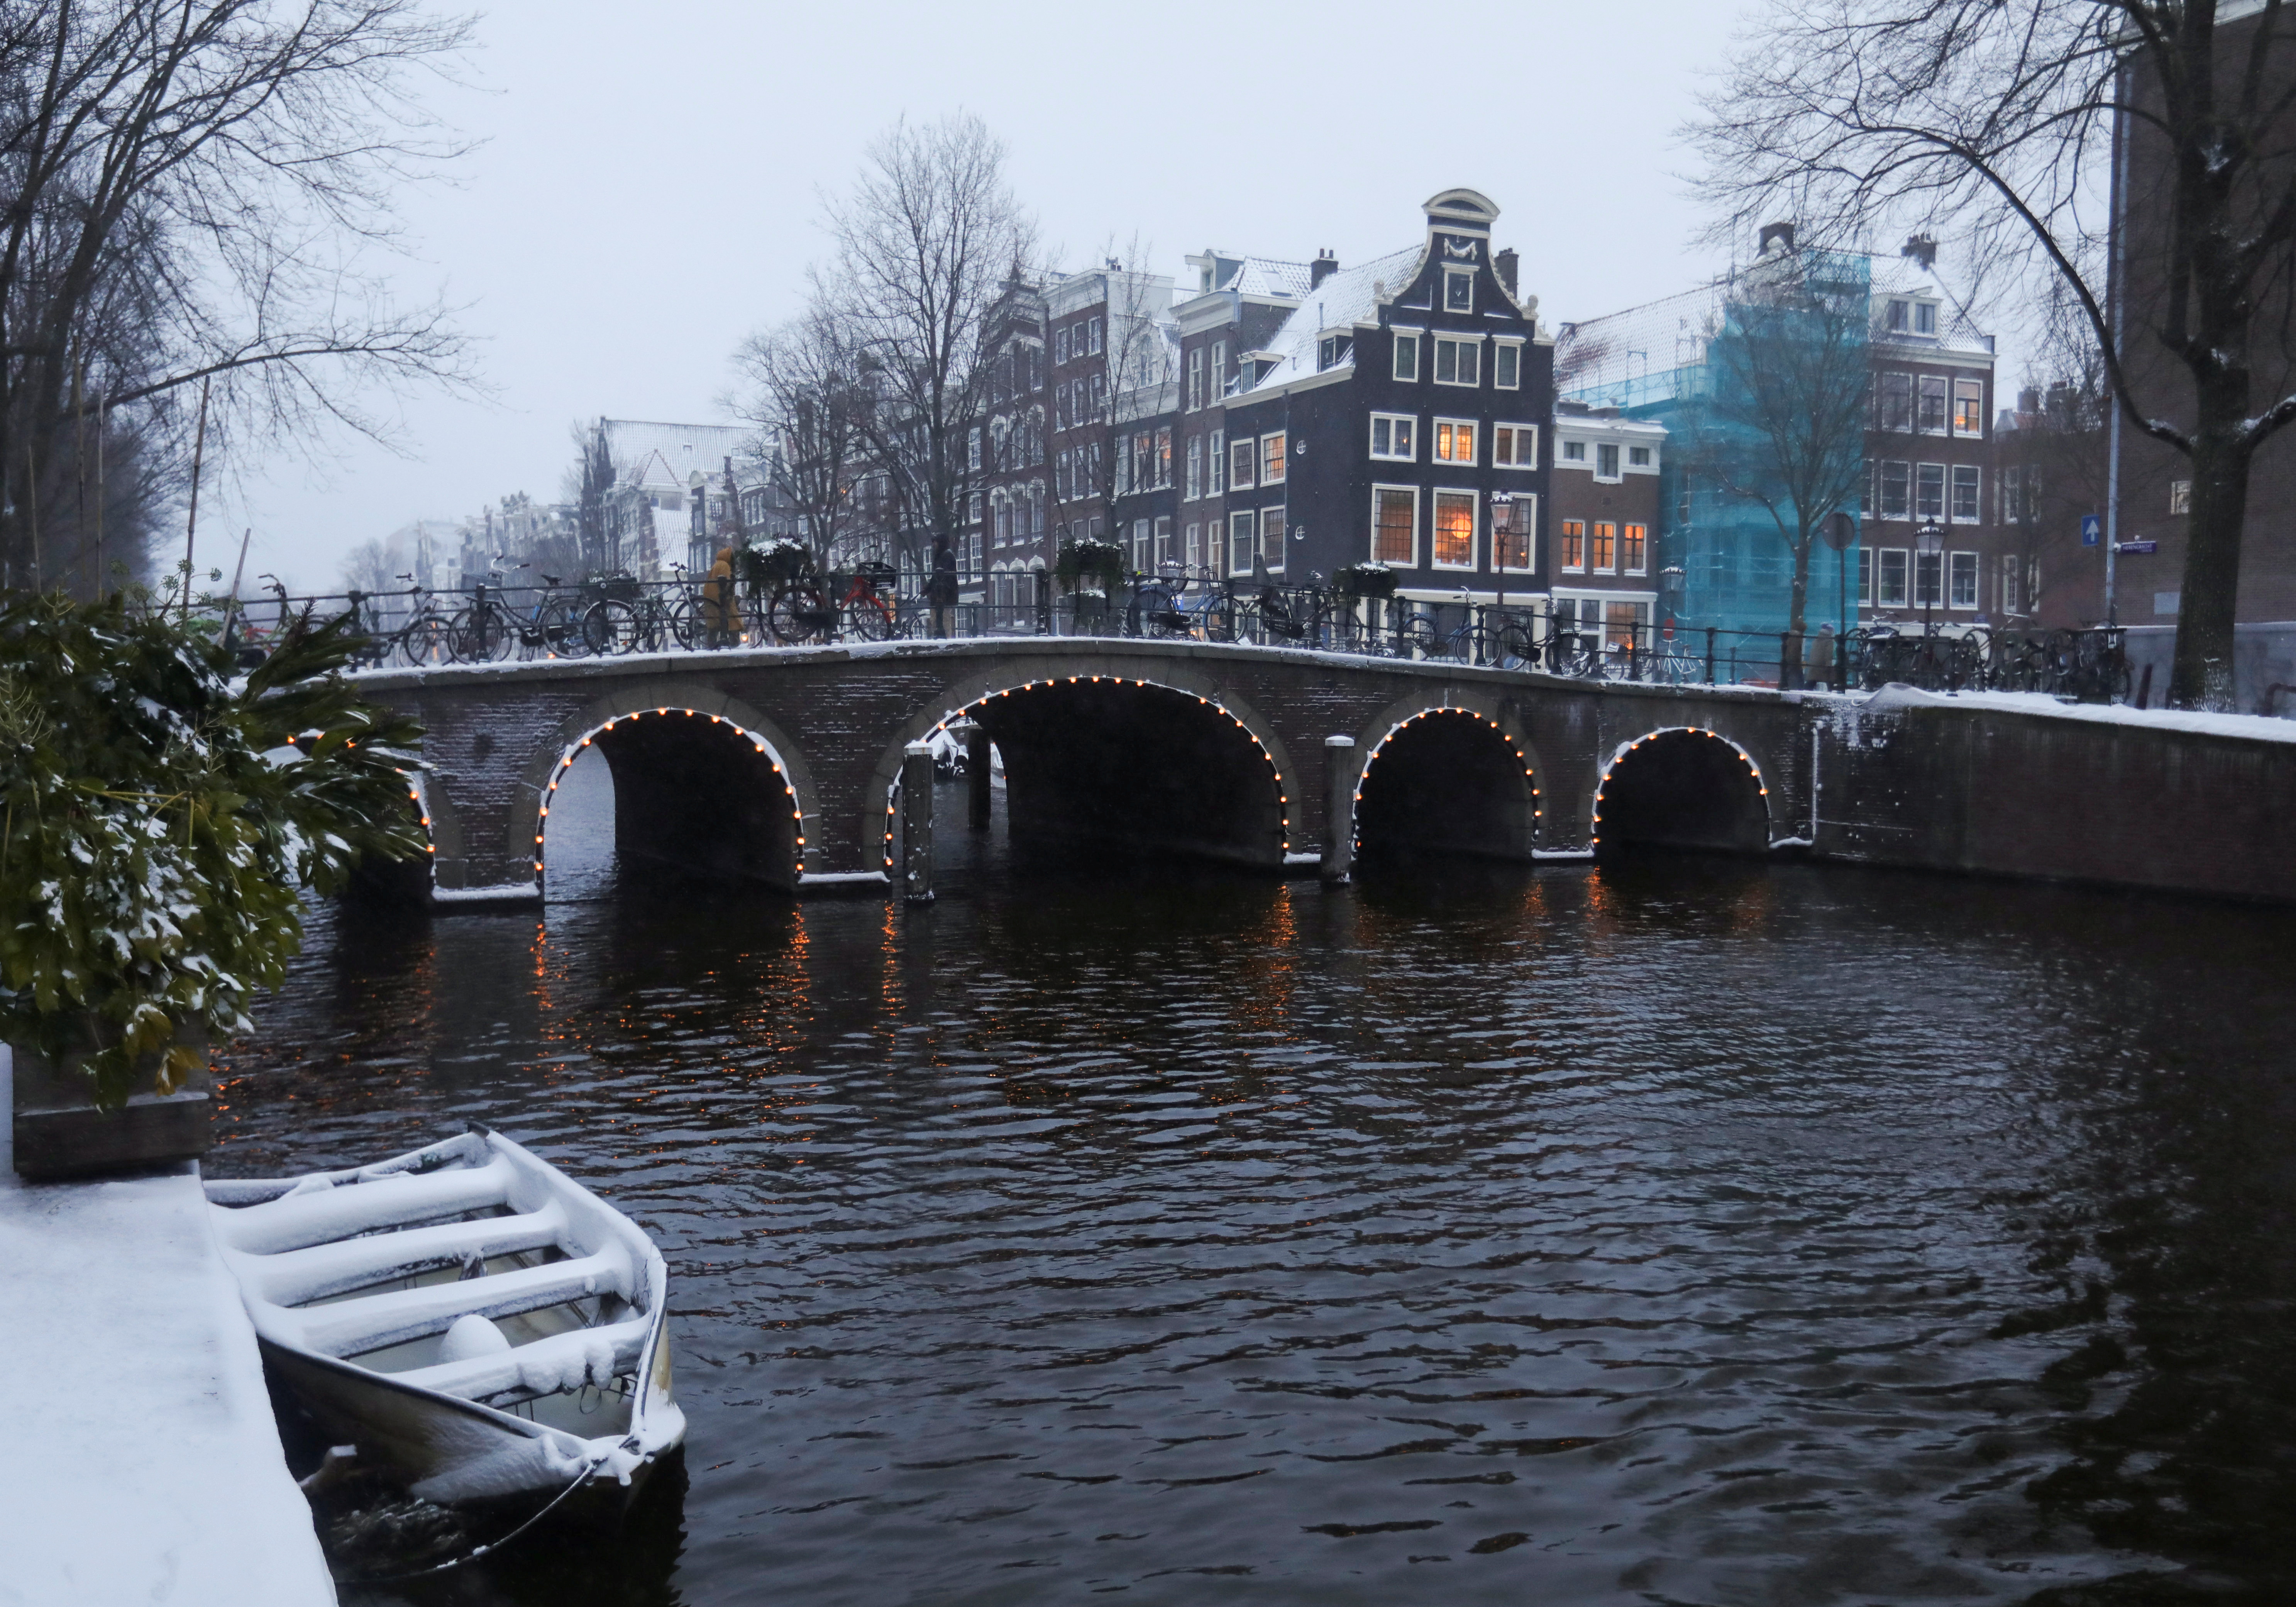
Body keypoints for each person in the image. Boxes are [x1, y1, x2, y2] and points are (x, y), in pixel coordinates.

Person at [701, 545, 744, 649]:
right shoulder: (725, 565)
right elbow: (725, 581)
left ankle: (711, 646)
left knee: (714, 623)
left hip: (710, 598)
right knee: (733, 619)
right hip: (720, 597)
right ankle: (735, 645)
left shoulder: (717, 564)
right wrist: (728, 593)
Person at [928, 535, 958, 638]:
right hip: (939, 595)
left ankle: (946, 640)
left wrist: (940, 590)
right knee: (935, 619)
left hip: (944, 595)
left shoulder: (947, 556)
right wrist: (928, 588)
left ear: (940, 543)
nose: (933, 545)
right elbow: (936, 575)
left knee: (944, 619)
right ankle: (940, 638)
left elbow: (946, 576)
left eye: (935, 542)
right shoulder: (940, 556)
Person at [1805, 622, 1837, 692]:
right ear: (1830, 630)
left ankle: (1805, 692)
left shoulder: (1817, 639)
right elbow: (1828, 655)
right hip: (1823, 664)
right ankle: (1832, 693)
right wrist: (1829, 666)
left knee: (1812, 681)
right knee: (1831, 679)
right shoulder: (1829, 641)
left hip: (1814, 664)